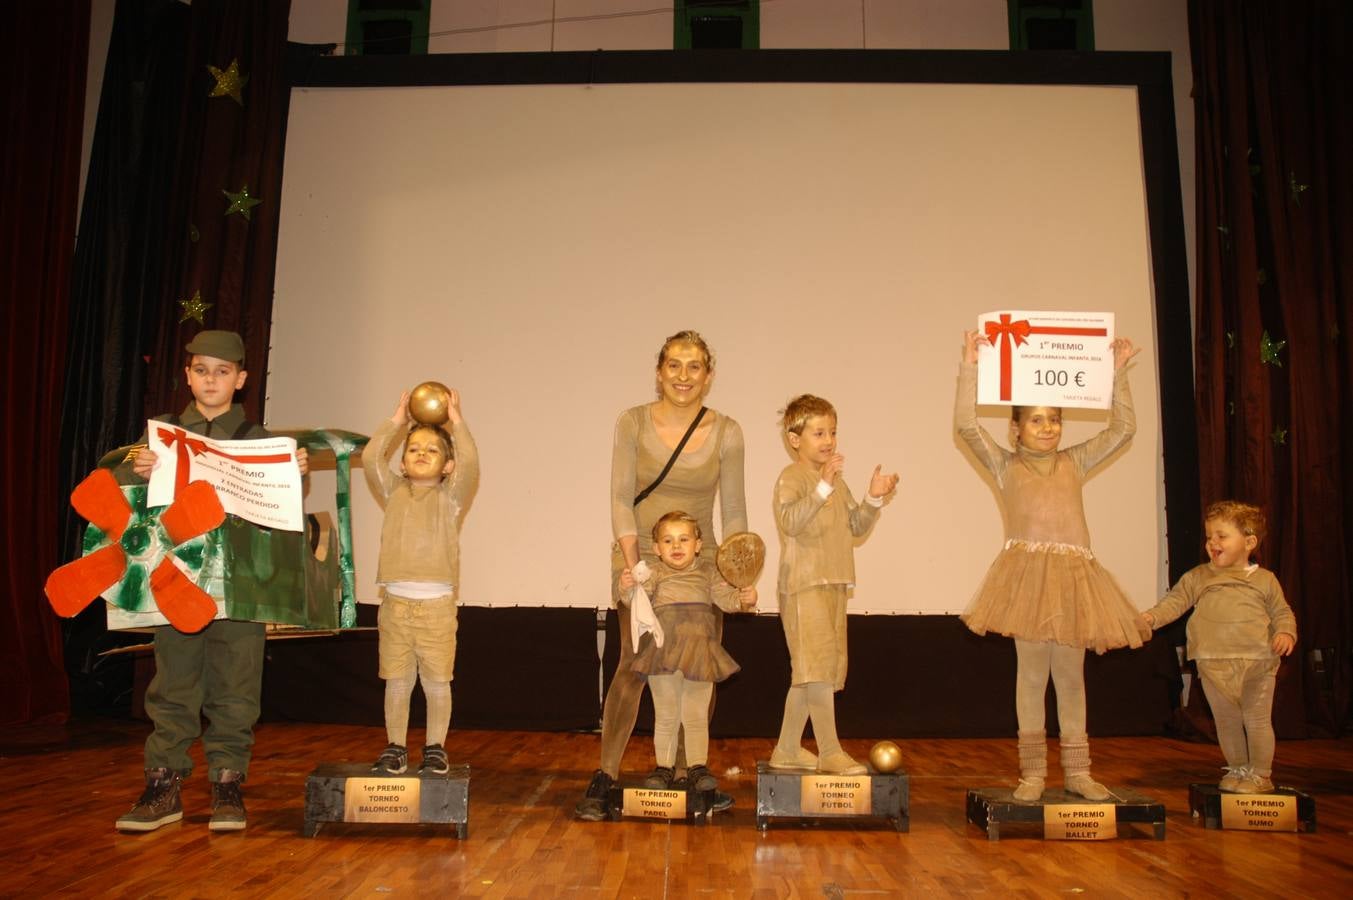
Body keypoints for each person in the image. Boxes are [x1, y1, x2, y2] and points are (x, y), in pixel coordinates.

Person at [115, 329, 309, 832]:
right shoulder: (158, 435)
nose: (210, 380)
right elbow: (126, 503)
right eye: (201, 370)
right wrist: (136, 471)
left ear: (240, 380)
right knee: (173, 683)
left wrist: (293, 475)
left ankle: (227, 784)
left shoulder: (260, 442)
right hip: (176, 578)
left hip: (240, 587)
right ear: (187, 375)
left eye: (222, 372)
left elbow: (282, 512)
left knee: (236, 685)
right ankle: (163, 786)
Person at [955, 329, 1145, 802]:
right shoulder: (1005, 466)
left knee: (1071, 678)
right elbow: (966, 428)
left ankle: (1078, 772)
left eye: (1055, 420)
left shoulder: (1074, 462)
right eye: (1036, 420)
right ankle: (1033, 773)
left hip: (1074, 581)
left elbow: (1122, 431)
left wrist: (1118, 374)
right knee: (1032, 677)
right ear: (1014, 429)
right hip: (1027, 582)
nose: (1047, 428)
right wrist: (970, 367)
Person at [575, 330, 747, 821]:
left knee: (698, 667)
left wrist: (737, 571)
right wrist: (634, 566)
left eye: (695, 367)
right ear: (659, 370)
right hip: (642, 558)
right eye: (674, 364)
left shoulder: (728, 430)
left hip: (703, 563)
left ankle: (687, 772)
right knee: (634, 665)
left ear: (708, 375)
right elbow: (619, 496)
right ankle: (606, 774)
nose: (684, 376)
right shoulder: (631, 422)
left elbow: (733, 510)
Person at [768, 394, 898, 775]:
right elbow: (791, 521)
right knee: (818, 670)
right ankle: (830, 751)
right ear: (795, 439)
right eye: (819, 432)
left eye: (833, 432)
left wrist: (873, 498)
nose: (829, 440)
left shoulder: (835, 483)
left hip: (834, 583)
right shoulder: (792, 478)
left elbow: (855, 527)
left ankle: (787, 749)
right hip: (804, 585)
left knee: (814, 670)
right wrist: (822, 487)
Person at [362, 387, 479, 777]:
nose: (422, 453)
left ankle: (434, 748)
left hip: (436, 609)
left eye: (432, 449)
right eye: (413, 448)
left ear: (448, 466)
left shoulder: (452, 497)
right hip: (395, 606)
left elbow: (472, 464)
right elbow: (369, 457)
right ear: (402, 461)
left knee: (436, 682)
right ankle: (395, 747)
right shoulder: (393, 492)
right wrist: (397, 420)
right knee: (396, 681)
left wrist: (456, 420)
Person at [1140, 501, 1296, 793]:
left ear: (1249, 542)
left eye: (1221, 536)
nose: (1212, 542)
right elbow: (1174, 603)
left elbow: (1282, 612)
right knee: (1226, 721)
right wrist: (1149, 619)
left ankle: (1260, 774)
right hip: (1212, 663)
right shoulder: (1199, 577)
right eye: (1209, 536)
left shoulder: (1264, 580)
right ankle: (1237, 767)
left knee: (1257, 719)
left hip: (1256, 663)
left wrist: (1286, 632)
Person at [620, 512, 756, 792]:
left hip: (700, 654)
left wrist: (745, 599)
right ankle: (664, 768)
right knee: (666, 715)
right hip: (664, 655)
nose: (676, 546)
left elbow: (728, 600)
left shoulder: (708, 572)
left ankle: (697, 767)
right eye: (668, 541)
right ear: (656, 549)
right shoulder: (654, 573)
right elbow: (634, 599)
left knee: (695, 715)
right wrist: (625, 587)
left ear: (698, 544)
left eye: (684, 539)